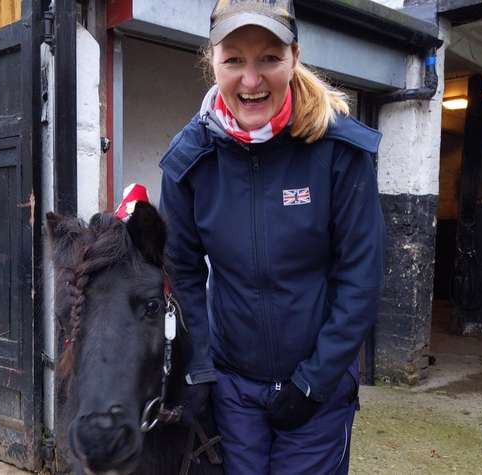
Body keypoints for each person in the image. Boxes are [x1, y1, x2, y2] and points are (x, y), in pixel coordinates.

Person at [159, 1, 385, 473]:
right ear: (213, 60)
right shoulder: (189, 161)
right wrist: (202, 366)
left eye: (269, 58)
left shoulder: (340, 152)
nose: (251, 79)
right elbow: (180, 268)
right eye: (234, 59)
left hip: (318, 391)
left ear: (294, 57)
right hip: (235, 389)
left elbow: (361, 278)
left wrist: (314, 382)